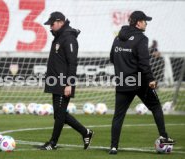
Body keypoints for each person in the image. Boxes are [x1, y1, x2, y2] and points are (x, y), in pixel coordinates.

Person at [109, 11, 175, 154]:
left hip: (123, 81)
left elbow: (112, 58)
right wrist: (151, 79)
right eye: (145, 21)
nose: (146, 23)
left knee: (118, 115)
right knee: (156, 107)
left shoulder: (117, 38)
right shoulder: (141, 38)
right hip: (139, 82)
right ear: (138, 22)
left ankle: (113, 147)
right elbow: (144, 63)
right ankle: (164, 138)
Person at [40, 11, 93, 150]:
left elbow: (72, 63)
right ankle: (85, 132)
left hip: (64, 83)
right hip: (55, 81)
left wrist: (69, 83)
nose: (50, 27)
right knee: (59, 114)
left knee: (59, 114)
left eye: (52, 24)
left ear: (60, 22)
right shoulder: (59, 37)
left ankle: (53, 143)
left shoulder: (69, 38)